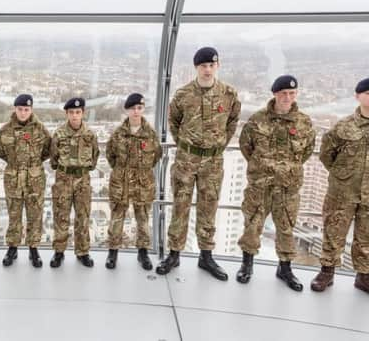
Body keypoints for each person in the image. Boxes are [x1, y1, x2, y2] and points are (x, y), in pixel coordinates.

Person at [156, 47, 241, 281]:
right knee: (180, 206)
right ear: (196, 67)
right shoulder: (183, 94)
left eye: (211, 65)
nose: (207, 69)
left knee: (208, 208)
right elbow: (173, 122)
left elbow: (232, 122)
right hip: (186, 160)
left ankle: (206, 256)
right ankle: (174, 254)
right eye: (203, 66)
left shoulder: (229, 94)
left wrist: (218, 144)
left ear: (217, 66)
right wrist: (188, 145)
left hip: (213, 161)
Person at [236, 76, 315, 291]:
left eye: (292, 93)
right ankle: (247, 264)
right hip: (260, 186)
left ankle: (285, 269)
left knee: (286, 228)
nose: (287, 97)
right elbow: (246, 147)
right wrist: (264, 168)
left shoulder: (304, 122)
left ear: (296, 94)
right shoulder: (257, 120)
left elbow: (306, 151)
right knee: (252, 225)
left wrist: (286, 170)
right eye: (283, 93)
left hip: (288, 188)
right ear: (275, 94)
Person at [311, 77, 369, 294]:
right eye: (368, 94)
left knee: (366, 237)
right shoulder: (343, 126)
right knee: (334, 232)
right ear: (358, 96)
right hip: (342, 192)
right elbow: (327, 155)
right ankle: (327, 272)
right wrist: (343, 176)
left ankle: (364, 276)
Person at [105, 93, 162, 270]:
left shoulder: (151, 134)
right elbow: (110, 155)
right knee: (116, 218)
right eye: (132, 108)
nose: (136, 112)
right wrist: (123, 171)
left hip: (143, 182)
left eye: (139, 108)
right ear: (127, 110)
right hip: (121, 182)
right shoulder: (118, 134)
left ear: (143, 109)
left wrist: (141, 171)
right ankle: (113, 252)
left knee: (143, 218)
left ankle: (143, 252)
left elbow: (156, 156)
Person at [0, 94, 51, 268]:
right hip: (13, 179)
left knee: (35, 216)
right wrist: (16, 165)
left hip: (34, 181)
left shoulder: (41, 130)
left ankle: (33, 249)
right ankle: (12, 248)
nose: (23, 113)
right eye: (20, 109)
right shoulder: (5, 130)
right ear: (15, 109)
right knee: (14, 216)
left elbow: (48, 150)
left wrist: (32, 166)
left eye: (26, 109)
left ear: (31, 110)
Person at [49, 97, 100, 268]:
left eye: (78, 112)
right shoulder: (59, 134)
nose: (75, 116)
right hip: (63, 179)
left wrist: (81, 170)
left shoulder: (90, 134)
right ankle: (59, 252)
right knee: (61, 216)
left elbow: (94, 157)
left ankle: (83, 252)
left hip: (83, 180)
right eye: (71, 112)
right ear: (67, 114)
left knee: (83, 217)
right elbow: (54, 159)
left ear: (83, 113)